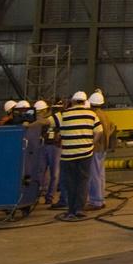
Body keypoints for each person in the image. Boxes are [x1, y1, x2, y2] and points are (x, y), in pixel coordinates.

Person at [53, 90, 101, 221]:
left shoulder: (64, 114)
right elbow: (99, 131)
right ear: (85, 102)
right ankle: (79, 208)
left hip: (68, 155)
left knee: (69, 183)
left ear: (72, 101)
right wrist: (91, 144)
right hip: (85, 154)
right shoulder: (91, 114)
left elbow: (47, 123)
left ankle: (70, 210)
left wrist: (28, 125)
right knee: (83, 181)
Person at [86, 90, 116, 210]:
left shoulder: (93, 115)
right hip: (103, 148)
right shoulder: (104, 114)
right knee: (100, 174)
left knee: (94, 175)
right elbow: (112, 127)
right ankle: (100, 198)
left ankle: (96, 201)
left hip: (96, 148)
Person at [34, 100, 60, 205]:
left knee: (54, 173)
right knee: (40, 171)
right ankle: (37, 194)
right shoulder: (44, 119)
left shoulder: (54, 117)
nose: (38, 115)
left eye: (39, 112)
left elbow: (44, 122)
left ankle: (49, 196)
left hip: (55, 147)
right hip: (44, 146)